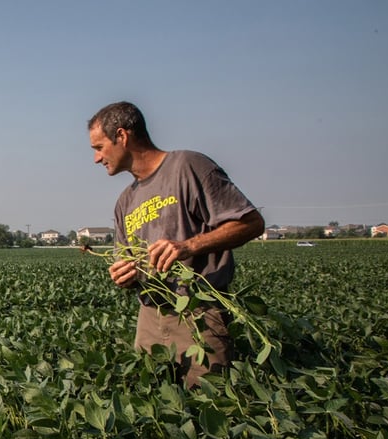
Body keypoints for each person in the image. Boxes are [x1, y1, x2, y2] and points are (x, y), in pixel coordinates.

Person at [87, 101, 265, 386]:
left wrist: (189, 247)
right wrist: (125, 276)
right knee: (154, 403)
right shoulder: (125, 201)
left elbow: (251, 223)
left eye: (99, 147)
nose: (96, 158)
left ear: (122, 136)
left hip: (199, 315)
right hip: (150, 318)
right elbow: (129, 262)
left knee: (209, 403)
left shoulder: (188, 167)